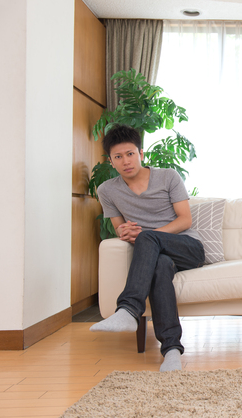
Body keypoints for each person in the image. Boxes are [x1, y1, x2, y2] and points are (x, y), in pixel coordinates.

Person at [89, 124, 205, 372]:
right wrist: (124, 232)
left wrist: (147, 235)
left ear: (141, 153)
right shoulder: (107, 190)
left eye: (130, 154)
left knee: (148, 238)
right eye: (118, 156)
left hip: (187, 247)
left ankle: (129, 309)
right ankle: (171, 351)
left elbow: (185, 220)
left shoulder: (168, 176)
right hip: (157, 255)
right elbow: (120, 228)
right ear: (111, 161)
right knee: (160, 267)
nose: (126, 161)